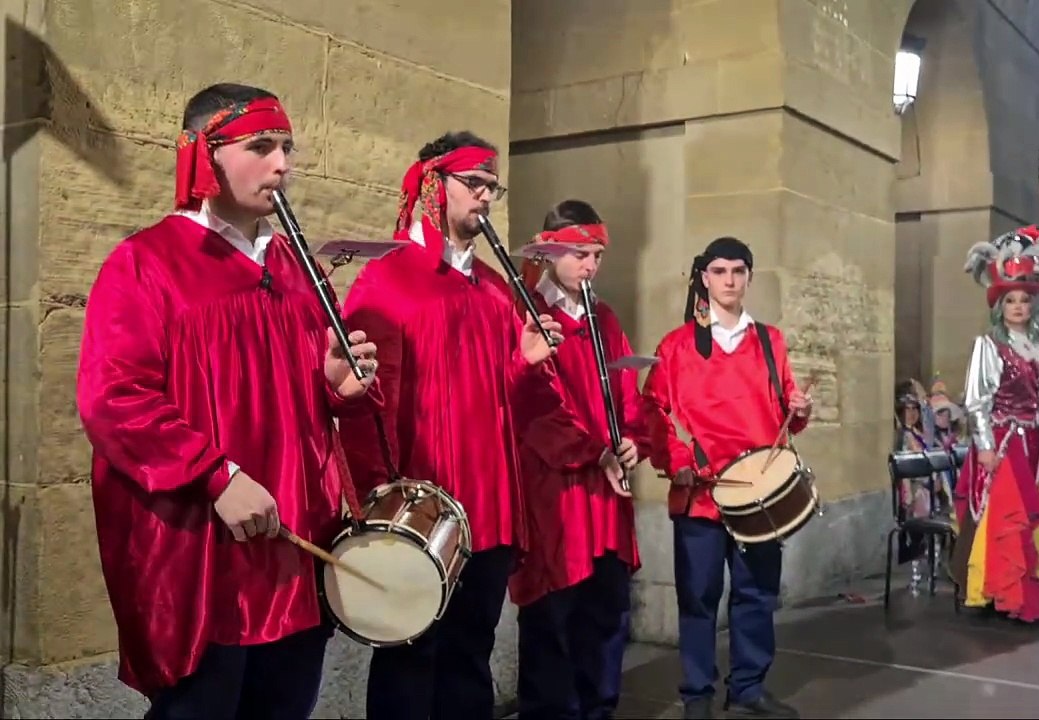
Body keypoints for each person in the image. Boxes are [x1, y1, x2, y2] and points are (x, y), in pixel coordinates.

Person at [76, 82, 381, 720]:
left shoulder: (300, 271)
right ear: (202, 156)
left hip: (296, 549)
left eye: (288, 148)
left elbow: (316, 404)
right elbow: (115, 399)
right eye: (261, 146)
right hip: (205, 555)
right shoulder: (147, 264)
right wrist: (216, 474)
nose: (283, 165)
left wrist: (337, 388)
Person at [339, 130, 564, 720]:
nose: (486, 198)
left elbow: (514, 407)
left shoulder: (496, 290)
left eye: (493, 187)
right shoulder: (386, 280)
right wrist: (375, 505)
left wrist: (527, 364)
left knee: (472, 655)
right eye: (475, 184)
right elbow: (364, 404)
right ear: (434, 186)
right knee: (410, 659)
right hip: (418, 511)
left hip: (488, 509)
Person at [641, 236, 811, 720]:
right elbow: (652, 408)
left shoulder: (769, 340)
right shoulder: (674, 347)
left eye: (738, 271)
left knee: (756, 595)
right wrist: (676, 456)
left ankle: (748, 685)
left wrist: (800, 412)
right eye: (720, 271)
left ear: (749, 278)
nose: (730, 280)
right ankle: (697, 693)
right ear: (704, 278)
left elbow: (786, 410)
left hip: (761, 495)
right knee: (698, 599)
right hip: (701, 493)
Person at [509, 199, 647, 720]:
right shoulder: (527, 314)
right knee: (552, 620)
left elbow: (626, 392)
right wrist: (594, 451)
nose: (590, 266)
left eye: (597, 256)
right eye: (581, 254)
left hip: (606, 494)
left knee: (605, 613)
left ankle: (599, 709)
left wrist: (633, 437)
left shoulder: (604, 318)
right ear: (548, 251)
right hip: (555, 492)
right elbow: (532, 408)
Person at [949, 225, 1039, 623]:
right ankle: (1005, 591)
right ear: (1000, 307)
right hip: (1006, 444)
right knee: (1010, 520)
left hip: (1038, 444)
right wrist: (985, 445)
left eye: (1025, 300)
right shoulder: (989, 346)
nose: (1019, 307)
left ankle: (1037, 591)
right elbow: (977, 400)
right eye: (1011, 301)